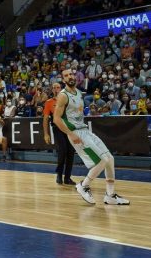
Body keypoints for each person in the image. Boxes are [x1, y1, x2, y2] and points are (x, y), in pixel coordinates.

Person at [52, 67, 129, 207]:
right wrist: (70, 133)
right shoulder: (63, 95)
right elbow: (56, 119)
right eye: (66, 75)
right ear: (63, 79)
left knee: (110, 159)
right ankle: (83, 185)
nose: (70, 76)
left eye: (71, 74)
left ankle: (110, 195)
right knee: (102, 160)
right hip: (76, 133)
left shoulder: (78, 93)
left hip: (85, 130)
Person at [42, 81, 74, 185]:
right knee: (62, 150)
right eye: (54, 87)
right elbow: (45, 119)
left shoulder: (67, 100)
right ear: (52, 90)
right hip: (57, 128)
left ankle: (67, 178)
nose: (56, 89)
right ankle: (59, 175)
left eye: (58, 87)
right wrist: (46, 134)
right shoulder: (49, 102)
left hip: (68, 128)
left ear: (61, 89)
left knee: (71, 152)